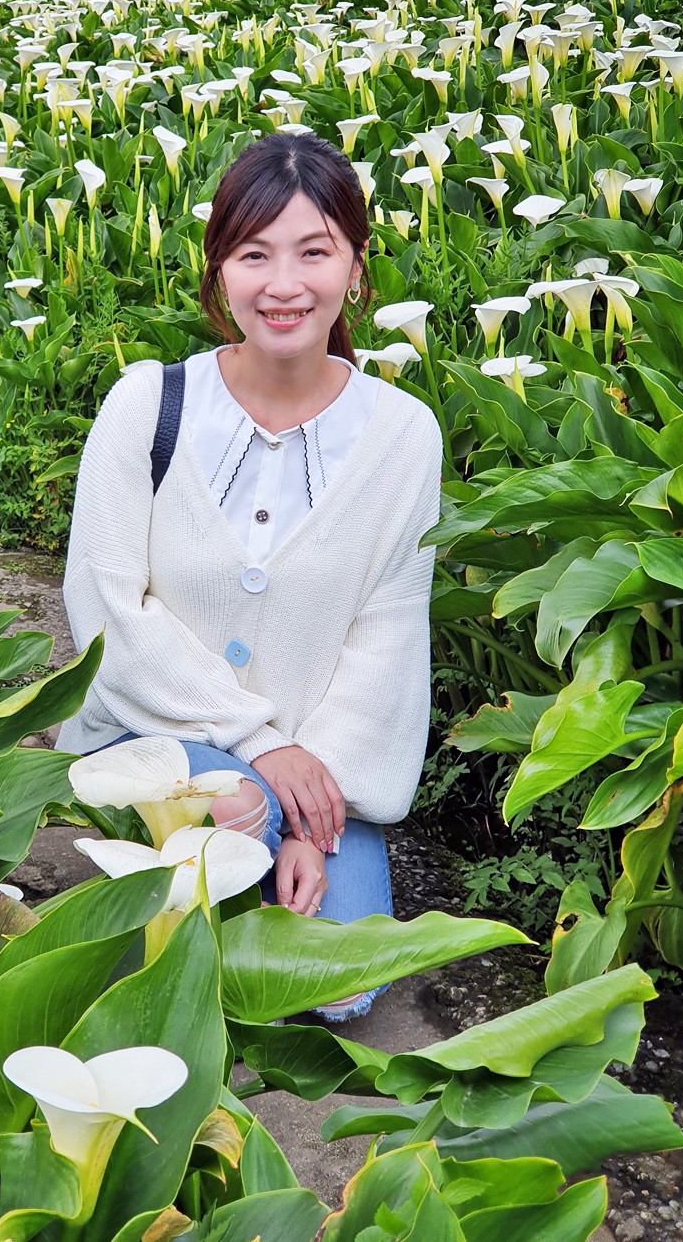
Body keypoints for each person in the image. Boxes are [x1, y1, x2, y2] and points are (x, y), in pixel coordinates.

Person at [54, 130, 442, 1020]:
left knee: (344, 991)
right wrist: (261, 750)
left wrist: (315, 801)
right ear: (219, 269)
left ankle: (222, 894)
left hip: (320, 764)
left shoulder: (403, 434)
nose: (284, 284)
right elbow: (107, 605)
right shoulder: (146, 405)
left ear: (356, 267)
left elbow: (386, 632)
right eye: (254, 253)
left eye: (316, 252)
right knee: (238, 812)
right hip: (154, 731)